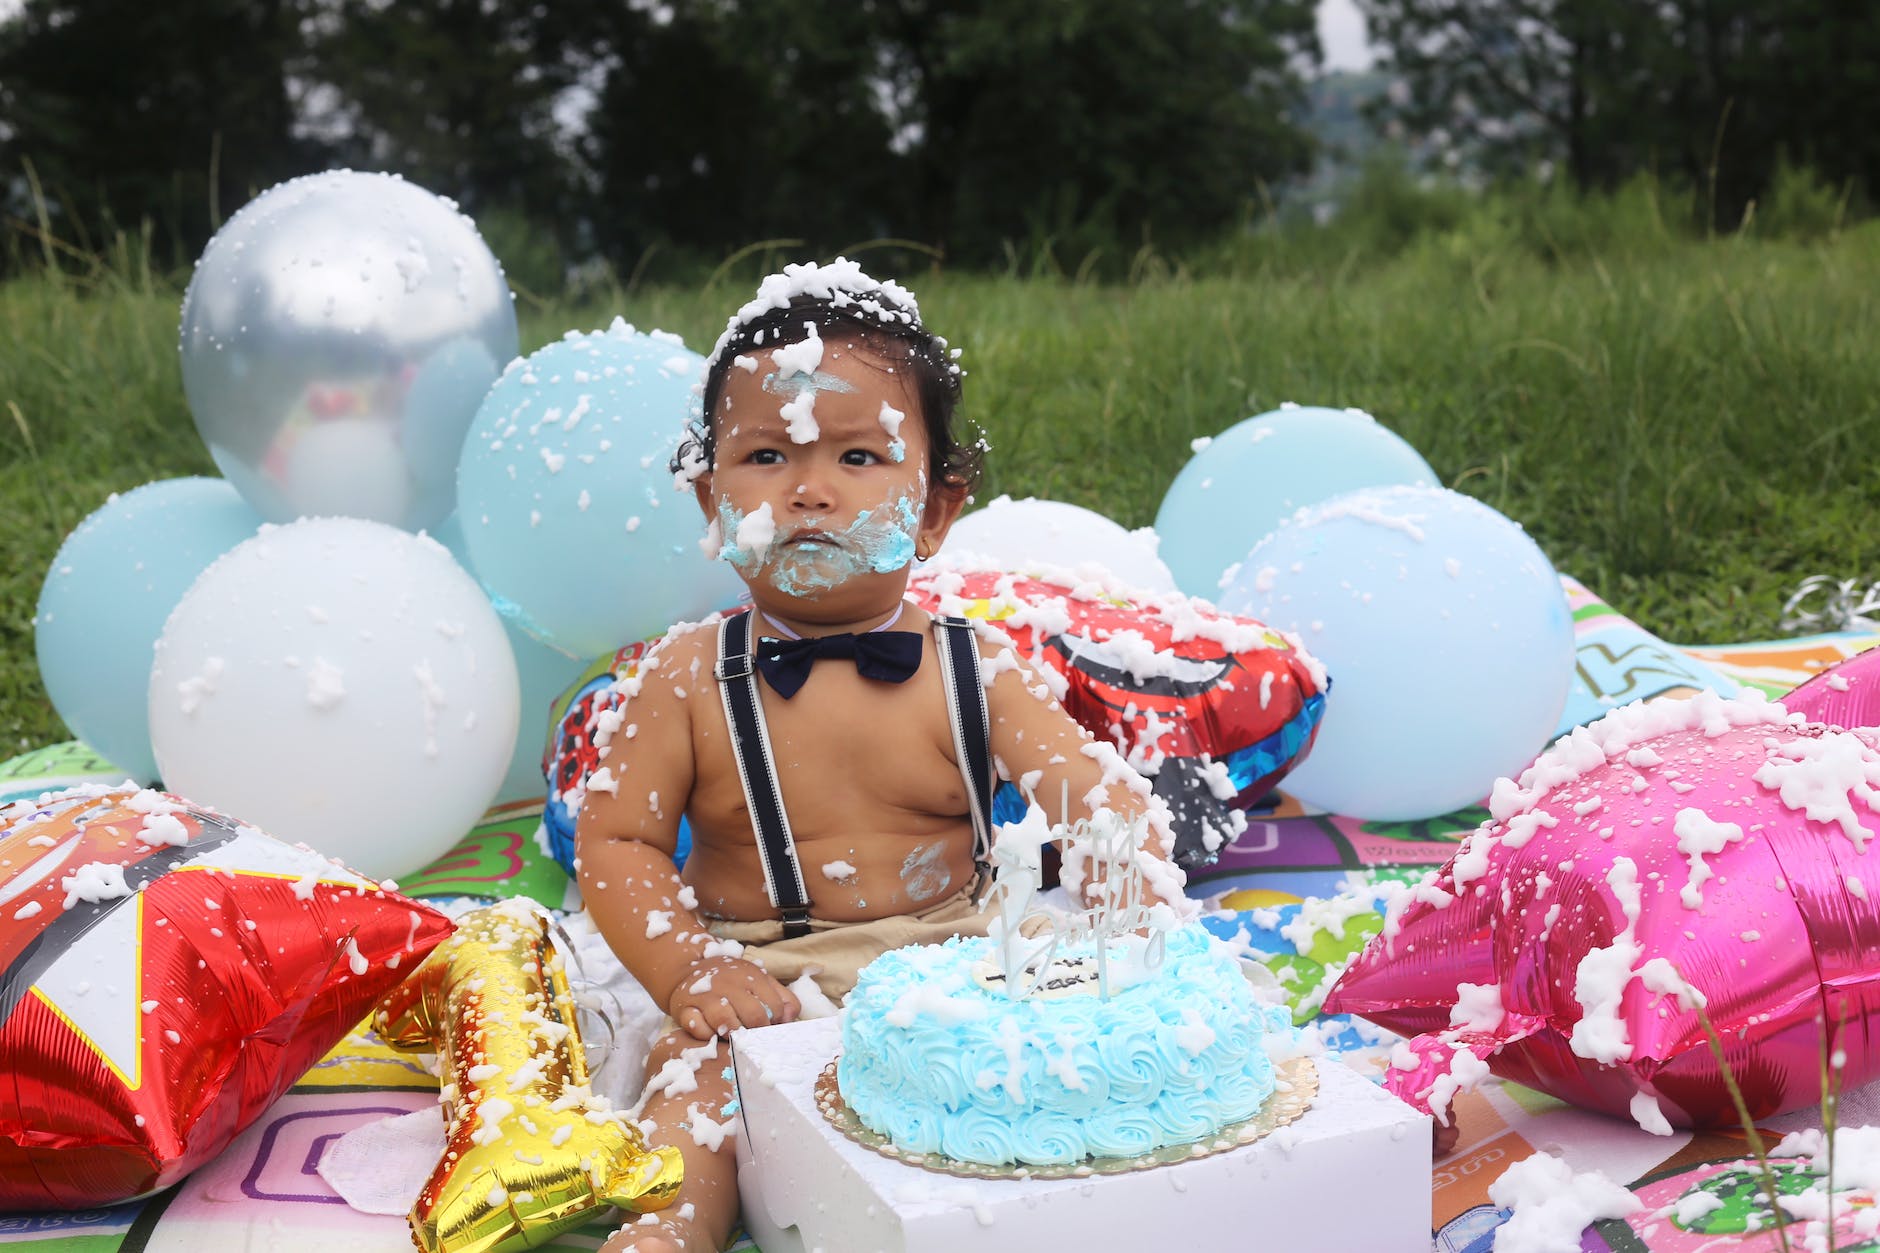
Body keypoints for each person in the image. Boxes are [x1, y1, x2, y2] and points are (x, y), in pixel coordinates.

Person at [577, 259, 1187, 1252]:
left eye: (857, 459)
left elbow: (1093, 789)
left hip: (960, 967)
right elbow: (616, 839)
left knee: (1072, 1081)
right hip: (764, 977)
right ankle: (668, 1232)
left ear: (937, 509)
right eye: (766, 457)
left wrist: (1130, 892)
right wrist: (688, 967)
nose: (809, 491)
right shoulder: (684, 676)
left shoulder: (973, 665)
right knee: (692, 1101)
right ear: (709, 500)